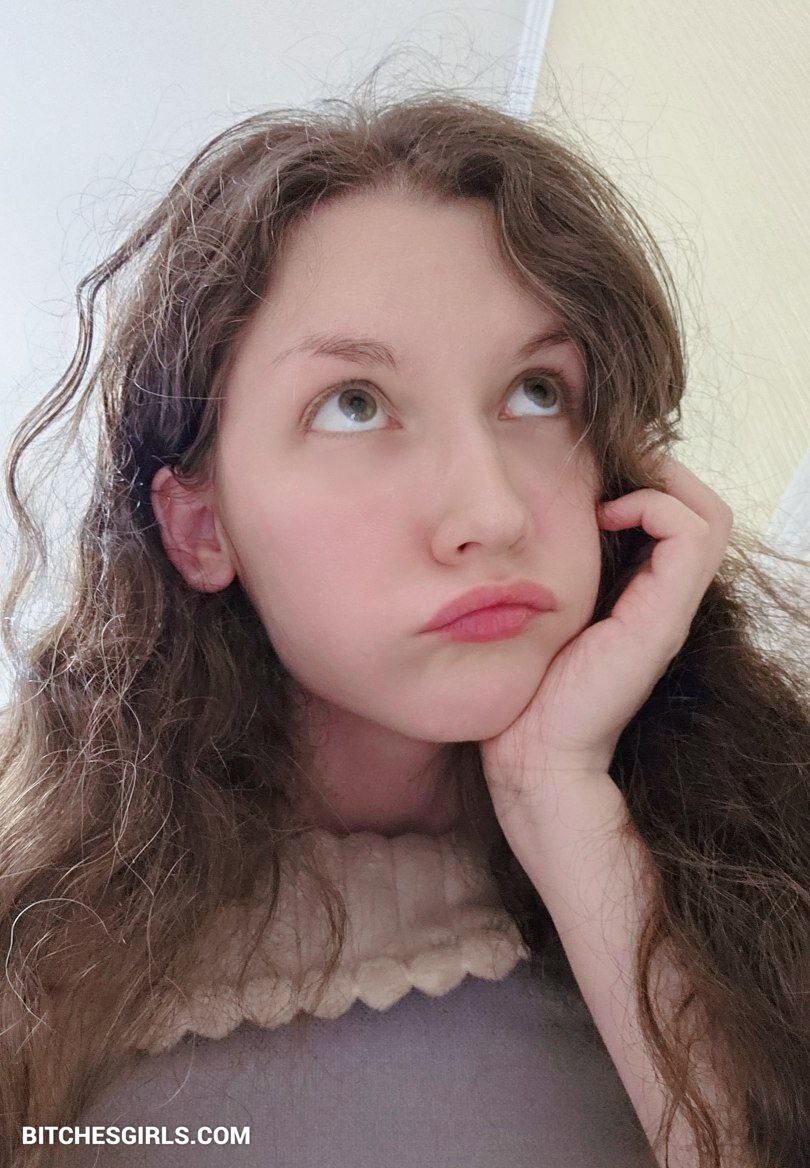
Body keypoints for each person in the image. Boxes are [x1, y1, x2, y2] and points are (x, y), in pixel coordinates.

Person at [0, 89, 807, 1168]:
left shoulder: (766, 842)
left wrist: (559, 798)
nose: (492, 512)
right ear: (201, 526)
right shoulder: (35, 930)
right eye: (354, 405)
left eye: (537, 392)